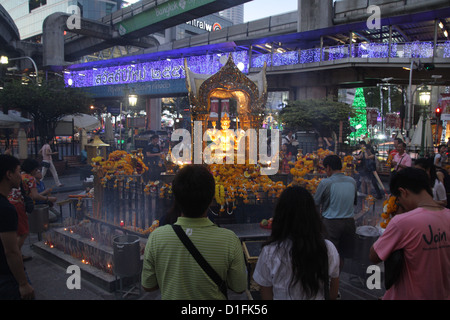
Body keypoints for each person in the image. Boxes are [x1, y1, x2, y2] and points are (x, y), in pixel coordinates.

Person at [141, 164, 247, 299]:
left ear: (176, 198)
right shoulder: (229, 240)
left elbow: (148, 285)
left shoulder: (157, 237)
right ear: (211, 200)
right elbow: (239, 287)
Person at [369, 167, 450, 299]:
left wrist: (396, 219)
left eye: (399, 199)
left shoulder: (402, 222)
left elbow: (374, 255)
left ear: (403, 192)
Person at [253, 186, 340, 300]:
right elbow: (333, 292)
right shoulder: (328, 248)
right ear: (312, 214)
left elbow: (266, 294)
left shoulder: (270, 252)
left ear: (281, 216)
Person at [314, 155, 357, 272]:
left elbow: (315, 203)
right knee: (341, 255)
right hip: (349, 223)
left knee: (329, 254)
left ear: (328, 168)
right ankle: (337, 280)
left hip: (331, 224)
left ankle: (329, 281)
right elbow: (354, 202)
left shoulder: (325, 183)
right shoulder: (352, 181)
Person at [0, 155, 35, 299]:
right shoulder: (6, 209)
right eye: (18, 172)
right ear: (9, 174)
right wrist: (23, 283)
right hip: (6, 275)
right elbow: (11, 251)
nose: (20, 176)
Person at [8, 158, 57, 255]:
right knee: (23, 232)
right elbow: (35, 196)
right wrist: (48, 199)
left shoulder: (21, 176)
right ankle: (15, 254)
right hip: (18, 204)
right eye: (36, 169)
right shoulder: (30, 178)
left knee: (16, 231)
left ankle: (17, 253)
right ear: (33, 169)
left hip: (9, 203)